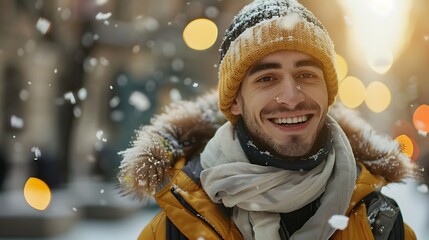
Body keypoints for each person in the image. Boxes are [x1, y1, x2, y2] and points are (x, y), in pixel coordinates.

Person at [117, 0, 420, 239]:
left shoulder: (381, 223)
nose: (291, 96)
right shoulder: (173, 229)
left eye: (306, 74)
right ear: (235, 101)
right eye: (267, 78)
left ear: (329, 94)